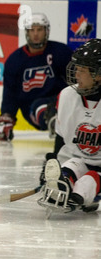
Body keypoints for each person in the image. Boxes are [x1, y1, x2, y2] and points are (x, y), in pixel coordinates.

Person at [39, 38, 101, 213]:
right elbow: (60, 138)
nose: (76, 75)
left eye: (82, 71)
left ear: (98, 75)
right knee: (63, 176)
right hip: (79, 160)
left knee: (88, 182)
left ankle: (84, 195)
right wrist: (53, 164)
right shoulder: (67, 96)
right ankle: (67, 187)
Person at [0, 13, 73, 141]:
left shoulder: (61, 52)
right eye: (32, 30)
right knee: (39, 106)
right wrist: (7, 117)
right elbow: (10, 93)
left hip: (61, 101)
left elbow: (77, 80)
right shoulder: (14, 60)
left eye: (39, 29)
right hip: (32, 108)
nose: (35, 34)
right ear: (27, 32)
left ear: (46, 31)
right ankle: (56, 125)